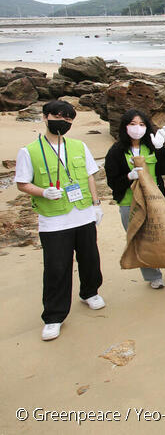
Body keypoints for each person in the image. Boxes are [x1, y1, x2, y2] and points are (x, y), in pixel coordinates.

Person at [14, 100, 105, 341]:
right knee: (56, 267)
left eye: (68, 118)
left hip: (83, 212)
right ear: (45, 117)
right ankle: (54, 316)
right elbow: (22, 183)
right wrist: (43, 192)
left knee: (90, 258)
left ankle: (90, 292)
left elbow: (89, 176)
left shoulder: (78, 146)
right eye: (58, 116)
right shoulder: (29, 151)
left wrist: (96, 204)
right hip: (54, 219)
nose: (63, 122)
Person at [104, 109, 165, 288]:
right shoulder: (116, 151)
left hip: (155, 200)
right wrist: (128, 177)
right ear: (125, 127)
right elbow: (112, 180)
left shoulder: (151, 145)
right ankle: (153, 276)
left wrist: (162, 149)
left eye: (141, 124)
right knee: (141, 241)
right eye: (132, 124)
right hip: (129, 203)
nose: (137, 128)